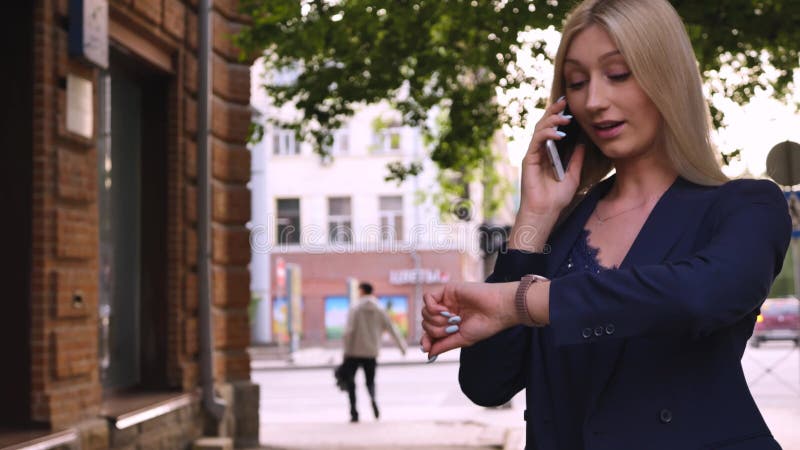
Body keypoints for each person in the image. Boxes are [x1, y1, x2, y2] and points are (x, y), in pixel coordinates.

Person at [420, 0, 791, 449]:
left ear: (668, 78)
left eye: (618, 74)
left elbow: (699, 296)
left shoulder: (745, 206)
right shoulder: (560, 228)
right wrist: (535, 216)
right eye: (577, 82)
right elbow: (486, 384)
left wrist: (525, 302)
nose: (594, 100)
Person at [341, 282, 407, 423]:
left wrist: (346, 351)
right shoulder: (379, 309)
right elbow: (391, 328)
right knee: (370, 381)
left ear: (362, 291)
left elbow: (348, 331)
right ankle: (372, 398)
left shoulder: (355, 308)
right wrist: (402, 347)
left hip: (353, 352)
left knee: (351, 383)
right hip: (371, 352)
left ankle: (354, 412)